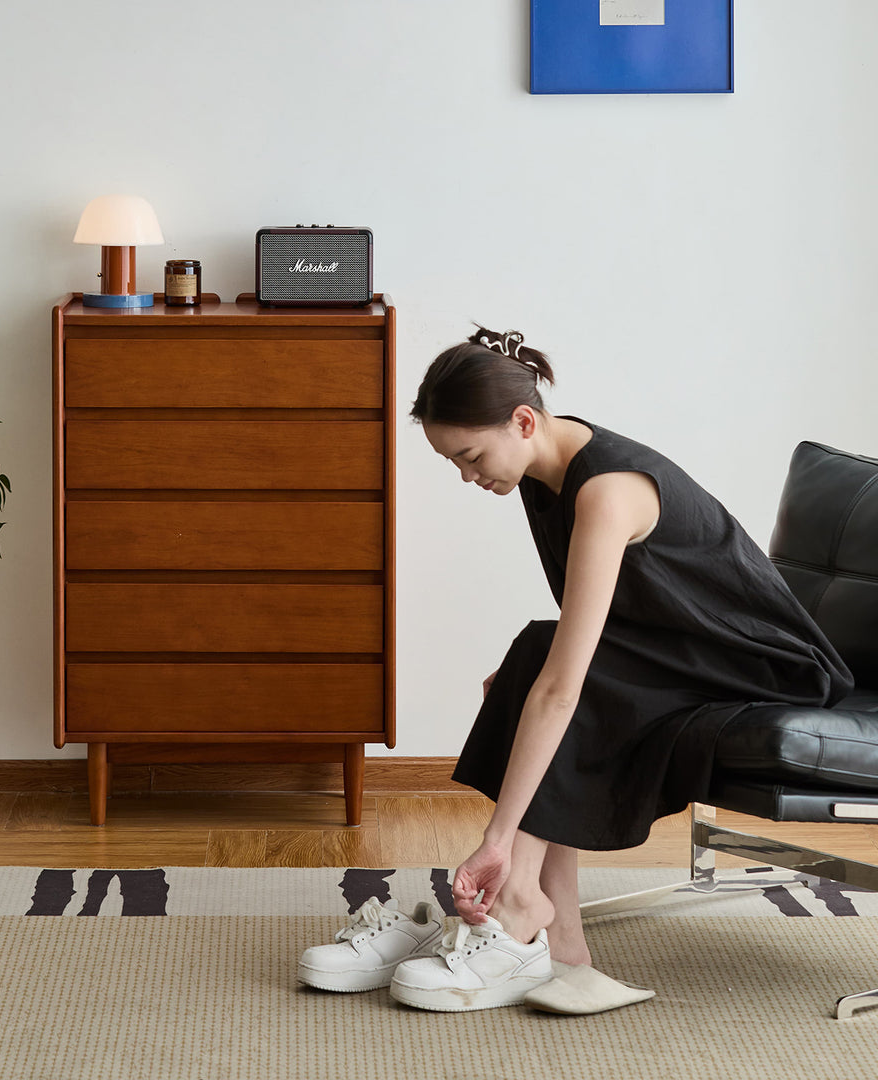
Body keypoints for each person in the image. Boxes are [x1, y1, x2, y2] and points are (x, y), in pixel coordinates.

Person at [298, 325, 853, 1015]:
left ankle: (522, 909)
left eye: (470, 456)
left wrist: (495, 839)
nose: (468, 477)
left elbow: (567, 684)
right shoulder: (541, 474)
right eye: (454, 464)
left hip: (764, 665)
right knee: (534, 661)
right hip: (681, 649)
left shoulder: (607, 490)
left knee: (551, 669)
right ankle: (555, 940)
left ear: (523, 421)